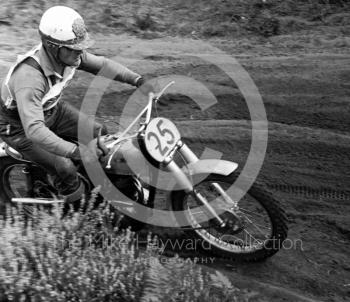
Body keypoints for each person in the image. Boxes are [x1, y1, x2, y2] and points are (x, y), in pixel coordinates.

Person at [0, 6, 149, 202]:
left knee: (99, 133)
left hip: (51, 110)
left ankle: (103, 184)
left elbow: (102, 65)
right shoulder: (30, 79)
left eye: (81, 46)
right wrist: (77, 152)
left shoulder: (70, 56)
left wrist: (137, 80)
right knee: (65, 166)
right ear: (53, 46)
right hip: (19, 126)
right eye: (74, 48)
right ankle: (74, 209)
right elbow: (35, 130)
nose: (81, 52)